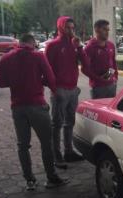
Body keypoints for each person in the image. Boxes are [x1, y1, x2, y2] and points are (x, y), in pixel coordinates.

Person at [0, 34, 69, 190]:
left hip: (17, 107)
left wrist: (18, 81)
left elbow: (1, 83)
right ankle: (51, 178)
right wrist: (46, 85)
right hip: (37, 105)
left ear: (19, 43)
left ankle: (30, 180)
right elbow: (51, 79)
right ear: (32, 43)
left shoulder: (5, 58)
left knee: (23, 145)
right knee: (46, 143)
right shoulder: (38, 56)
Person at [45, 16, 86, 165]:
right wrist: (54, 89)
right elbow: (46, 70)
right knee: (57, 124)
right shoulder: (53, 45)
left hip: (73, 90)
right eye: (68, 27)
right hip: (59, 90)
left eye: (72, 28)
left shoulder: (74, 45)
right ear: (60, 27)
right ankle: (57, 156)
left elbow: (86, 63)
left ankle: (68, 151)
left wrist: (80, 47)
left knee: (70, 122)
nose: (71, 30)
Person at [83, 19, 118, 99]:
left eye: (108, 30)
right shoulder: (90, 47)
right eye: (104, 29)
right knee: (99, 110)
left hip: (112, 85)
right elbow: (84, 69)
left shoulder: (111, 45)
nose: (107, 32)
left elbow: (113, 63)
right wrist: (98, 79)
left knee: (109, 110)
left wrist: (115, 77)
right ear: (97, 30)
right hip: (98, 88)